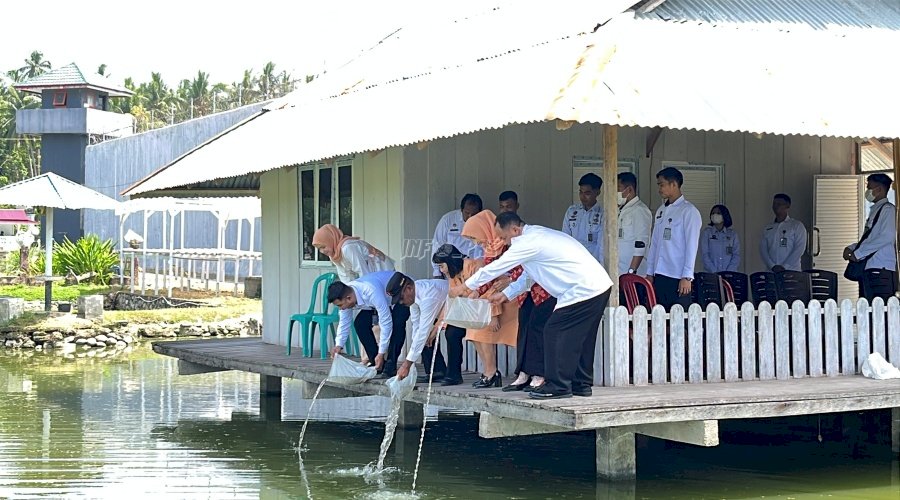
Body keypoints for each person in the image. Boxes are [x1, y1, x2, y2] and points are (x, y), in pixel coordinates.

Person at [453, 212, 612, 400]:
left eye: (504, 237)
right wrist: (505, 294)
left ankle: (557, 386)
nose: (504, 243)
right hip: (597, 286)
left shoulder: (527, 242)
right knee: (582, 337)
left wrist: (466, 286)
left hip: (583, 289)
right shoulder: (537, 237)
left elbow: (498, 266)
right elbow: (529, 275)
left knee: (553, 331)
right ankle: (581, 384)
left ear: (515, 229)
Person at [459, 211, 518, 388]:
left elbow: (518, 270)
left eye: (475, 237)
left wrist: (508, 281)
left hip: (514, 295)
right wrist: (477, 291)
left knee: (481, 330)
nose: (476, 242)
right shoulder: (491, 247)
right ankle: (489, 371)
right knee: (474, 329)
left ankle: (492, 372)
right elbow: (489, 275)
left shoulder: (507, 245)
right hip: (496, 294)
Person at [327, 270, 409, 377]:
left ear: (349, 298)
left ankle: (390, 364)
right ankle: (376, 362)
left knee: (397, 323)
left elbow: (386, 321)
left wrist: (382, 352)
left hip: (402, 290)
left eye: (340, 305)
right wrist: (339, 345)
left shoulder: (370, 290)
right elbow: (344, 322)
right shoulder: (348, 294)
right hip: (378, 301)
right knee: (360, 323)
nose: (341, 308)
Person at [645, 167, 703, 311]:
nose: (659, 188)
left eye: (662, 184)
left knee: (679, 321)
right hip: (660, 273)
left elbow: (692, 245)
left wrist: (687, 276)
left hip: (677, 275)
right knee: (660, 317)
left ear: (674, 184)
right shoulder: (661, 210)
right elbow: (655, 243)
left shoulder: (689, 211)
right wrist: (650, 272)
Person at [385, 272, 455, 383]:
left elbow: (423, 330)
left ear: (408, 289)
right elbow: (416, 324)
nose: (401, 302)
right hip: (443, 312)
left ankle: (450, 373)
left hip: (458, 308)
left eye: (401, 298)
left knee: (434, 335)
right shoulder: (414, 292)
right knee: (421, 338)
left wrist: (407, 364)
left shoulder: (428, 295)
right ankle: (436, 371)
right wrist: (412, 353)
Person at [844, 173, 897, 302]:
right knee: (868, 308)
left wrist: (859, 253)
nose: (867, 191)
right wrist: (851, 248)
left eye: (869, 187)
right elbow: (869, 238)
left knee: (881, 310)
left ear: (879, 189)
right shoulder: (876, 210)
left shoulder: (888, 210)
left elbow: (887, 237)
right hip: (870, 268)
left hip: (881, 268)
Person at [312, 224, 394, 283]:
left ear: (331, 240)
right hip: (372, 276)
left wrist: (364, 293)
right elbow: (345, 276)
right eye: (319, 249)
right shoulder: (334, 254)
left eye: (323, 247)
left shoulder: (348, 247)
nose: (322, 251)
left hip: (383, 271)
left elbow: (362, 270)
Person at [430, 193, 484, 277]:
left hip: (474, 271)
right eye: (467, 213)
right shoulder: (448, 220)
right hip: (450, 270)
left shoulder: (484, 223)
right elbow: (437, 244)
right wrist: (437, 272)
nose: (470, 217)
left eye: (473, 214)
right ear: (461, 209)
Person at [616, 172, 652, 276]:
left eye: (618, 188)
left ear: (629, 190)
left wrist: (632, 270)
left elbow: (641, 242)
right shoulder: (620, 210)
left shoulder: (640, 210)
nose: (615, 192)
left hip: (633, 274)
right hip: (619, 271)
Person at [759, 193, 807, 272]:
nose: (776, 206)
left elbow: (799, 248)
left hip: (791, 271)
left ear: (787, 205)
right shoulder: (768, 228)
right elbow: (763, 249)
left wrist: (785, 266)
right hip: (771, 272)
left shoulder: (796, 225)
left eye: (779, 204)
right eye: (774, 204)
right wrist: (772, 266)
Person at [563, 173, 604, 263]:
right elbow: (565, 237)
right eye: (581, 192)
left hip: (593, 261)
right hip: (573, 260)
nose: (582, 197)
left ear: (597, 192)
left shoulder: (602, 213)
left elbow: (601, 245)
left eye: (587, 193)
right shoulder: (572, 211)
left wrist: (597, 264)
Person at [700, 205, 741, 273]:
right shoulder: (707, 233)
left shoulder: (732, 234)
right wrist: (715, 272)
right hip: (711, 274)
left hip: (730, 275)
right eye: (713, 213)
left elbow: (736, 255)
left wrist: (728, 272)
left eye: (718, 213)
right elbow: (704, 255)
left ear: (724, 215)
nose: (715, 215)